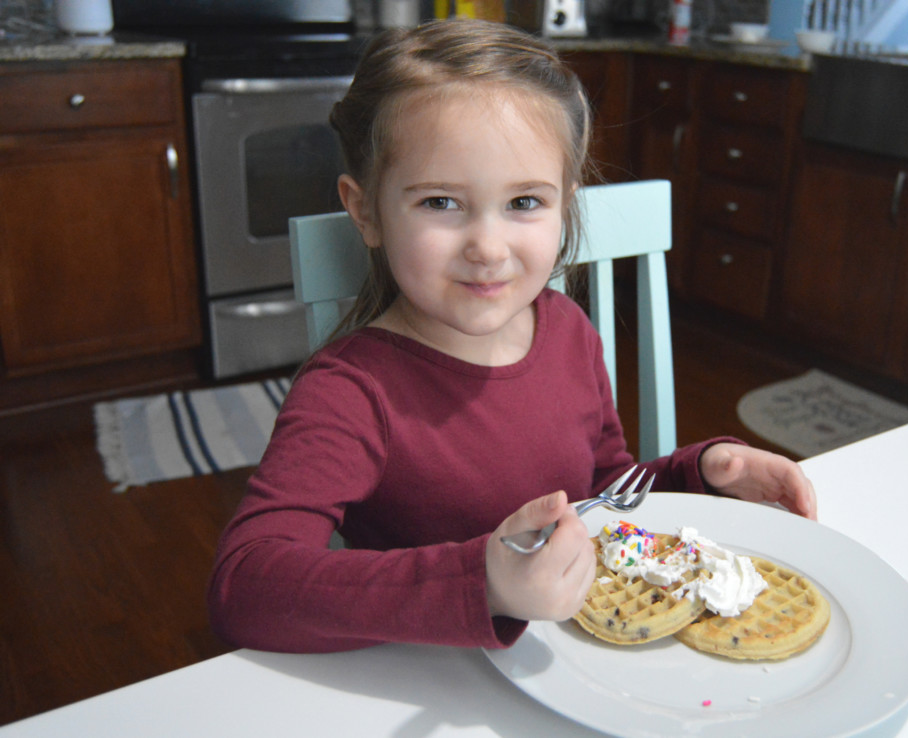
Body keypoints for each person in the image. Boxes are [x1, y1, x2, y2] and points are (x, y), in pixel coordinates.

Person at [207, 18, 816, 654]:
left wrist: (699, 476)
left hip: (582, 674)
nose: (488, 249)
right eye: (441, 202)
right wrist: (485, 586)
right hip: (436, 687)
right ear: (366, 212)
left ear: (564, 203)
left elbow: (605, 496)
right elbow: (243, 588)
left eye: (525, 202)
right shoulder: (351, 393)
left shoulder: (569, 331)